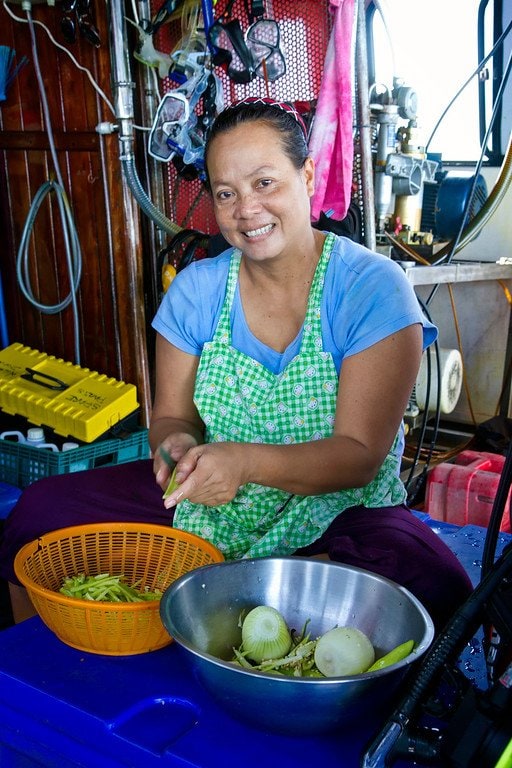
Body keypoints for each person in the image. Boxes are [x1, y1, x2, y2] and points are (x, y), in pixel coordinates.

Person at [0, 97, 472, 629]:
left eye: (265, 183)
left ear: (308, 175)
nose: (247, 209)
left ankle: (244, 588)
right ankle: (42, 664)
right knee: (40, 514)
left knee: (430, 584)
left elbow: (359, 456)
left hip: (340, 509)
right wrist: (174, 447)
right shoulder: (198, 290)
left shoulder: (369, 287)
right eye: (226, 193)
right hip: (211, 498)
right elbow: (175, 419)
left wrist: (244, 463)